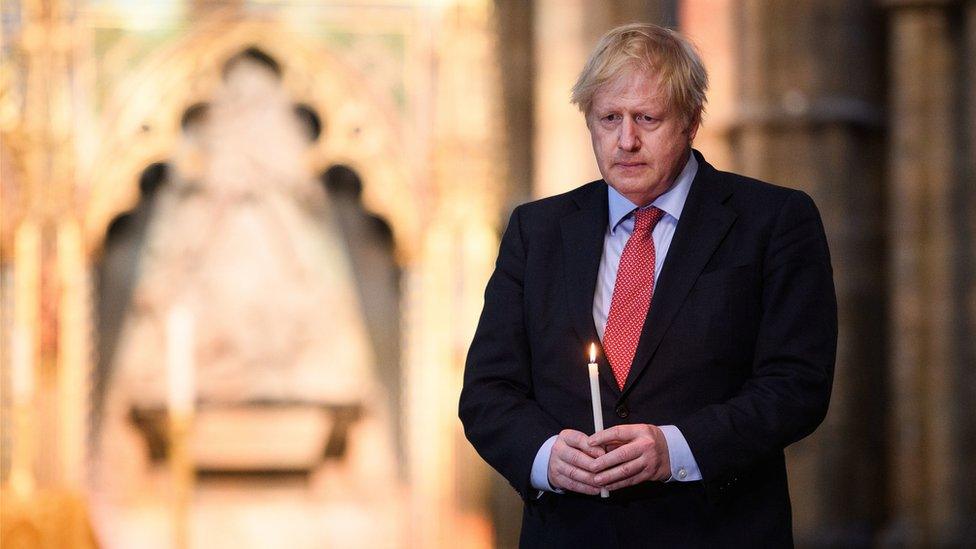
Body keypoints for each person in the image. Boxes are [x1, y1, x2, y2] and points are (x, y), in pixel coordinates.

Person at [458, 22, 836, 548]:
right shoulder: (537, 230)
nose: (626, 140)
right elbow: (487, 391)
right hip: (570, 533)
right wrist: (546, 457)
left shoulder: (773, 221)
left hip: (716, 530)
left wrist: (675, 449)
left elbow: (797, 385)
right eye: (609, 118)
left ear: (691, 120)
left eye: (647, 118)